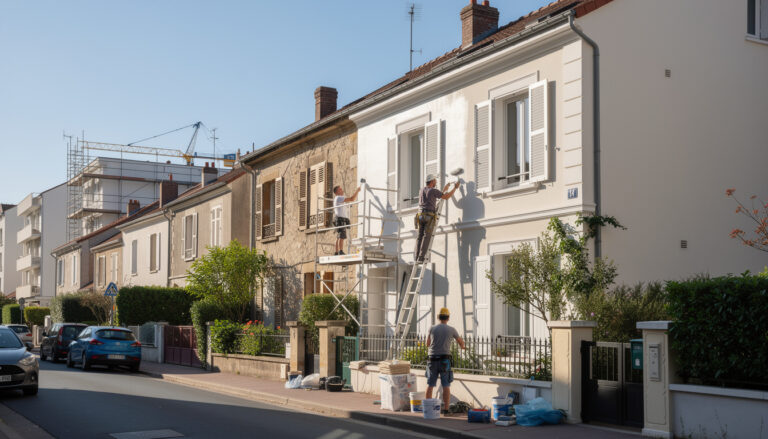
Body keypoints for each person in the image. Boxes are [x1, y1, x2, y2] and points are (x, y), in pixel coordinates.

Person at [425, 307, 465, 415]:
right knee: (446, 385)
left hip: (432, 359)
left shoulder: (432, 328)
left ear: (438, 317)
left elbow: (427, 344)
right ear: (448, 318)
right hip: (444, 360)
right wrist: (463, 346)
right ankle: (446, 410)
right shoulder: (452, 329)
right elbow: (460, 342)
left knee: (430, 384)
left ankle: (428, 409)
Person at [415, 174, 460, 262]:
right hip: (428, 216)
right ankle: (421, 257)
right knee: (427, 236)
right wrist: (455, 188)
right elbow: (446, 197)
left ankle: (416, 257)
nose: (436, 182)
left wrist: (445, 189)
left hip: (420, 215)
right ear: (432, 181)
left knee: (419, 237)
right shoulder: (433, 190)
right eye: (435, 181)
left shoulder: (422, 190)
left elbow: (436, 195)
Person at [333, 185, 361, 255]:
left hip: (339, 219)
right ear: (337, 192)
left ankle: (336, 252)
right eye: (340, 189)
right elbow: (352, 199)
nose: (342, 190)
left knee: (339, 236)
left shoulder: (338, 199)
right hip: (340, 219)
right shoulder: (338, 198)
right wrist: (357, 191)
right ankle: (340, 251)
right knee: (341, 236)